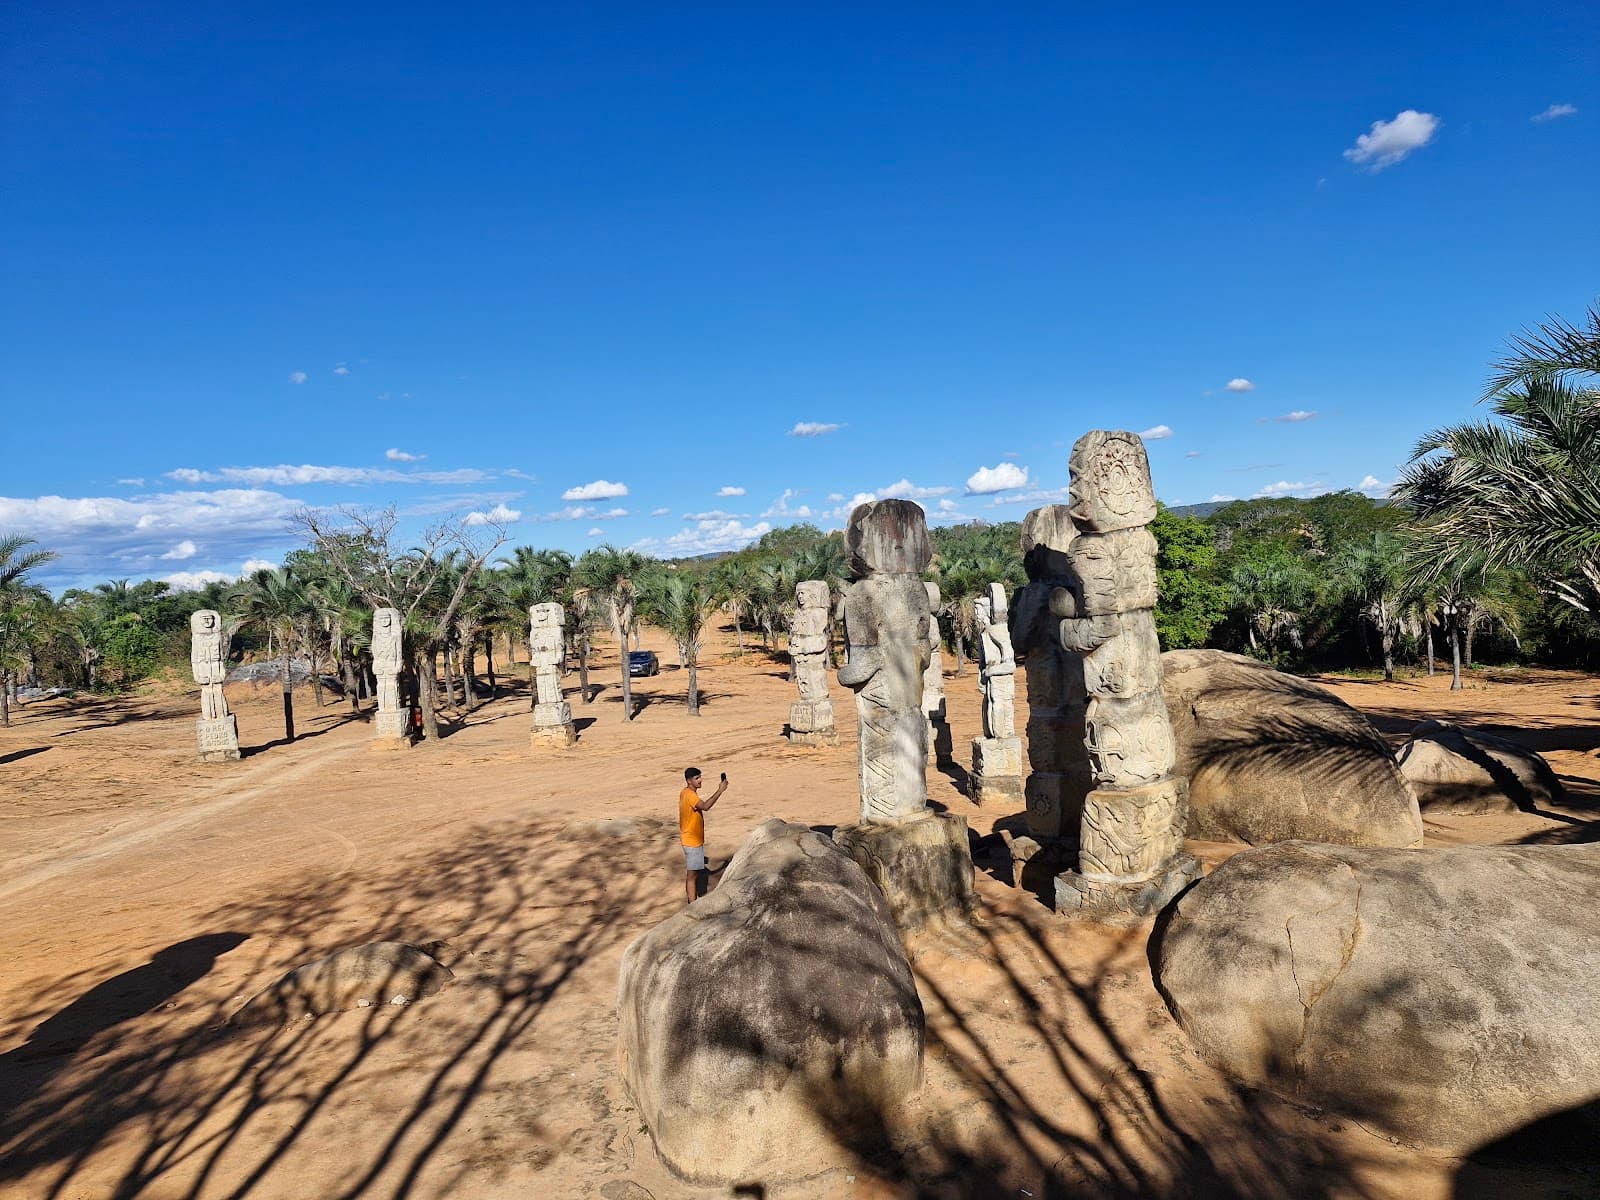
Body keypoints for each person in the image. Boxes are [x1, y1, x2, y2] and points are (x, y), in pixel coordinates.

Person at [679, 766, 728, 904]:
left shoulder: (684, 792)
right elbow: (705, 806)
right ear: (689, 781)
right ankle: (692, 905)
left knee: (693, 874)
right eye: (697, 778)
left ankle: (692, 901)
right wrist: (720, 790)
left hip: (691, 839)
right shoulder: (690, 796)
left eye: (700, 777)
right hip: (692, 841)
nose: (700, 780)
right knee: (692, 876)